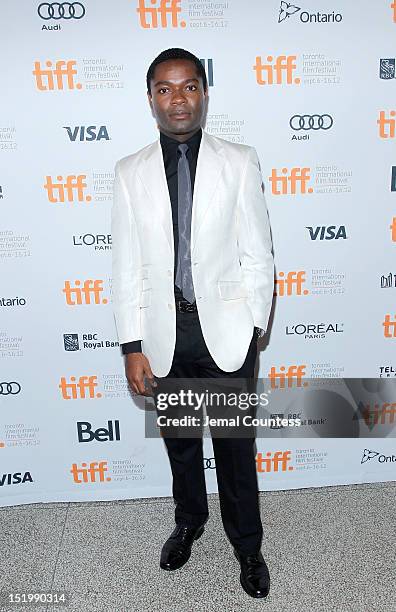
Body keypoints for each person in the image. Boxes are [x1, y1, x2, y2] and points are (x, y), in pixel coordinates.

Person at [111, 48, 274, 599]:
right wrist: (132, 344)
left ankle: (247, 547)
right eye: (164, 88)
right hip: (166, 335)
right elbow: (127, 264)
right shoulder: (129, 172)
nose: (177, 99)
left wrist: (254, 322)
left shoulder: (239, 159)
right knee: (180, 442)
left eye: (188, 87)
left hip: (227, 332)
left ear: (204, 92)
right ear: (151, 98)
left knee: (234, 447)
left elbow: (258, 253)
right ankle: (190, 521)